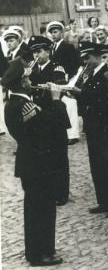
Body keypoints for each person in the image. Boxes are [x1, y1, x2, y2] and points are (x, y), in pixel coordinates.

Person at [2, 58, 65, 266]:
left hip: (31, 163)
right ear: (21, 83)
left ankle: (36, 251)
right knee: (43, 210)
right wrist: (56, 99)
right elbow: (47, 128)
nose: (31, 82)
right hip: (39, 164)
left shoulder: (16, 102)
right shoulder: (23, 104)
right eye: (27, 79)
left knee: (34, 209)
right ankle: (43, 253)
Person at [77, 42, 108, 218]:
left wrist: (83, 94)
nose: (85, 61)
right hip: (93, 125)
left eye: (87, 57)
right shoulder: (87, 73)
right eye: (83, 58)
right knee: (97, 164)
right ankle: (104, 200)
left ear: (97, 56)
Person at [28, 35, 71, 206]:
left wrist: (35, 80)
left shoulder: (56, 67)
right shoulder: (33, 69)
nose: (36, 55)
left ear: (47, 51)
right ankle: (50, 190)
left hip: (55, 115)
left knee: (59, 155)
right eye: (34, 52)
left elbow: (58, 87)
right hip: (40, 116)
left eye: (39, 51)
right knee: (45, 155)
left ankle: (62, 193)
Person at [46, 21, 81, 146]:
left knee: (70, 104)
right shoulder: (50, 48)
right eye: (51, 33)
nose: (53, 35)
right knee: (60, 105)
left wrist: (69, 80)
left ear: (61, 33)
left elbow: (74, 65)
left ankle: (73, 134)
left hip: (66, 79)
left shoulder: (68, 46)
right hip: (55, 79)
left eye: (55, 32)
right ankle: (63, 132)